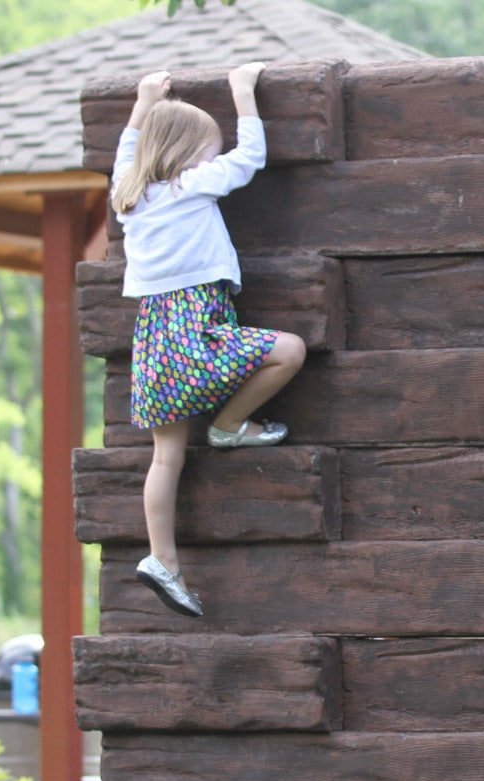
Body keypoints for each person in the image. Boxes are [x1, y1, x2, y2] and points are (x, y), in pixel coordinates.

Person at [111, 63, 306, 617]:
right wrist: (242, 93)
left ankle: (162, 559)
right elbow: (249, 160)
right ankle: (227, 426)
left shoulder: (128, 195)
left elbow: (128, 149)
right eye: (207, 149)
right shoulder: (190, 188)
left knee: (166, 457)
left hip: (155, 341)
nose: (211, 158)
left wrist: (144, 98)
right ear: (188, 153)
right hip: (197, 332)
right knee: (287, 350)